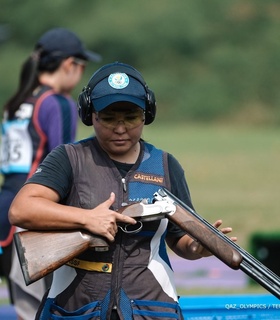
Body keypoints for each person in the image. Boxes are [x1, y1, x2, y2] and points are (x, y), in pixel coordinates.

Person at [9, 62, 236, 320]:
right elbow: (21, 209)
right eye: (108, 118)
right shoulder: (68, 158)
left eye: (131, 117)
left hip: (150, 308)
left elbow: (178, 238)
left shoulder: (165, 165)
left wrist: (197, 247)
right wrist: (87, 218)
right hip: (76, 307)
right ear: (90, 115)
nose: (120, 128)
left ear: (146, 115)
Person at [0, 27, 101, 319]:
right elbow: (65, 166)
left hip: (7, 211)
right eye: (81, 66)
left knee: (25, 311)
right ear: (70, 64)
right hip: (35, 218)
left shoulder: (17, 102)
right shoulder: (58, 103)